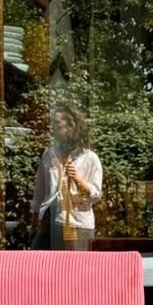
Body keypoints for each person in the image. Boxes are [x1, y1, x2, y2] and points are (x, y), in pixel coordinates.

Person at [31, 104, 103, 250]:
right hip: (50, 221)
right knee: (42, 266)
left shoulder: (89, 158)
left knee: (76, 269)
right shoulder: (49, 155)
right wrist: (34, 223)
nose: (53, 128)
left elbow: (96, 195)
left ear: (71, 126)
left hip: (78, 223)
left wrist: (79, 179)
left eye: (57, 124)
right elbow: (39, 192)